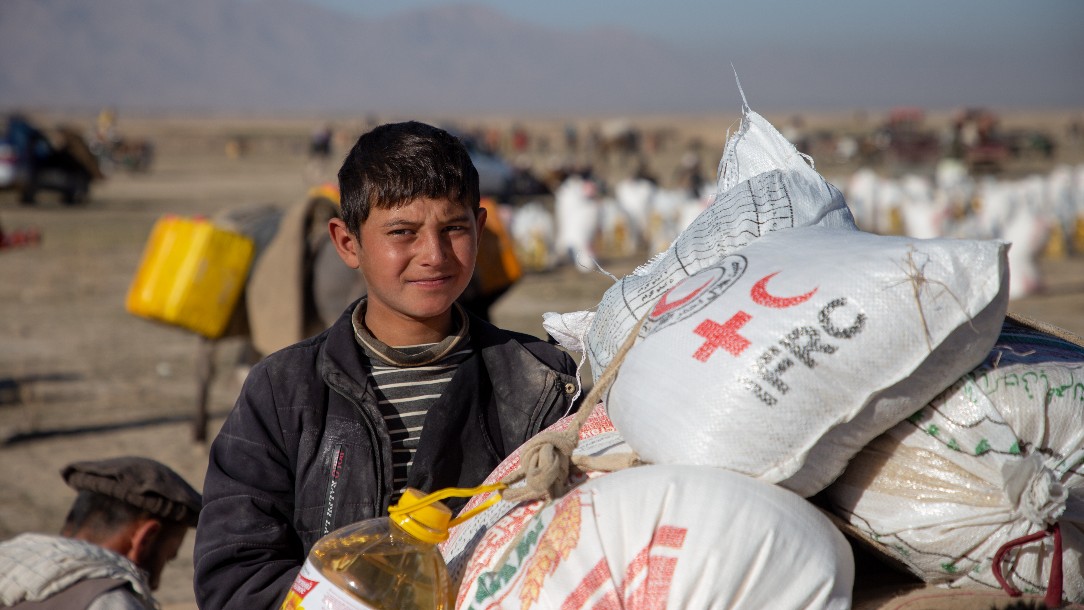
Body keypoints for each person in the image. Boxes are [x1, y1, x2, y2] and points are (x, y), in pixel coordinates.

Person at [194, 121, 580, 609]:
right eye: (403, 232)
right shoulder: (282, 391)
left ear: (480, 231)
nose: (434, 255)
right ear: (347, 243)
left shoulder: (543, 385)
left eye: (454, 229)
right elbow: (235, 576)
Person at [0, 456, 202, 609]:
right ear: (144, 539)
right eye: (167, 558)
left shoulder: (8, 560)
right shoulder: (109, 601)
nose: (156, 584)